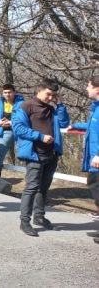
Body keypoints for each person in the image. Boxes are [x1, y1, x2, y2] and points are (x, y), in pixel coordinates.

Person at [12, 78, 69, 237]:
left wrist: (60, 104)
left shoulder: (53, 109)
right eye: (48, 94)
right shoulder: (26, 106)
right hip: (34, 152)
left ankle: (39, 216)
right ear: (39, 90)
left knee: (43, 187)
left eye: (53, 95)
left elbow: (64, 123)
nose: (50, 98)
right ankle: (25, 221)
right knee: (32, 187)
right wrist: (39, 136)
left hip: (52, 153)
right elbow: (18, 128)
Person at [68, 76, 99, 244]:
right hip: (94, 159)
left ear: (97, 89)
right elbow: (93, 126)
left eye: (89, 86)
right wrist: (77, 125)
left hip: (97, 158)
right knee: (94, 186)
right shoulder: (96, 109)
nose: (87, 89)